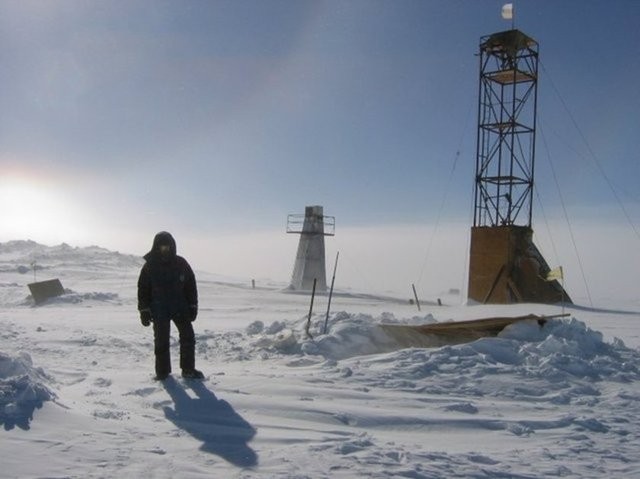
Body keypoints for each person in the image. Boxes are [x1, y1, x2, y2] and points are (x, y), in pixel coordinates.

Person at [137, 231, 203, 380]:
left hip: (180, 307)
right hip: (159, 308)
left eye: (167, 246)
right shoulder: (150, 266)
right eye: (161, 247)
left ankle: (188, 369)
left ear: (172, 246)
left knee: (188, 338)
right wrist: (144, 310)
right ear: (156, 247)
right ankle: (162, 372)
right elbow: (143, 289)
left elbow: (191, 286)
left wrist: (193, 306)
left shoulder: (181, 263)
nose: (165, 250)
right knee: (161, 340)